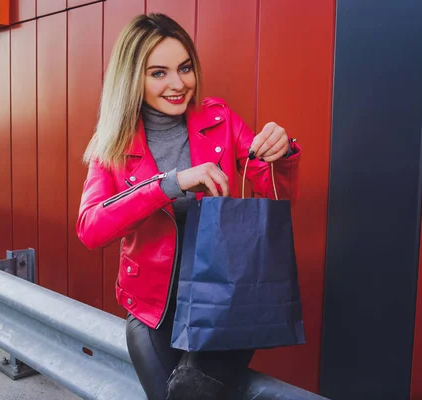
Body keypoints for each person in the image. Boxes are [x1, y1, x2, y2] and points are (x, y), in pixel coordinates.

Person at [76, 13, 301, 400]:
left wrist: (282, 154)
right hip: (152, 312)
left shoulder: (220, 119)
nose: (178, 84)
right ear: (132, 79)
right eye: (158, 73)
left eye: (184, 68)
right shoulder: (111, 145)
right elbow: (90, 228)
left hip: (226, 301)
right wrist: (168, 185)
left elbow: (272, 192)